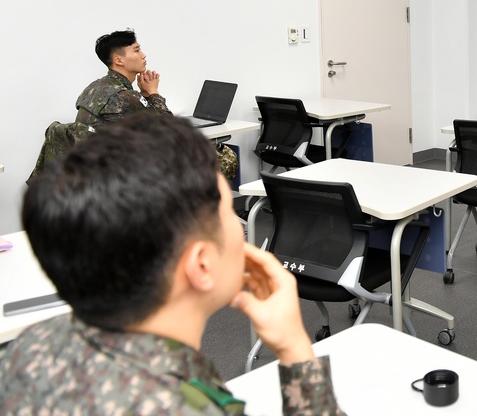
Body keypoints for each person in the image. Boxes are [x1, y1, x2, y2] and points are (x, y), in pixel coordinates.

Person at [0, 114, 345, 415]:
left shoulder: (29, 347)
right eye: (229, 213)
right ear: (202, 264)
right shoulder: (186, 406)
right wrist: (296, 349)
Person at [75, 29, 172, 127]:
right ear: (119, 61)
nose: (143, 55)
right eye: (137, 50)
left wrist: (144, 94)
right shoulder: (125, 96)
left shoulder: (93, 87)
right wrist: (153, 92)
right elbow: (170, 129)